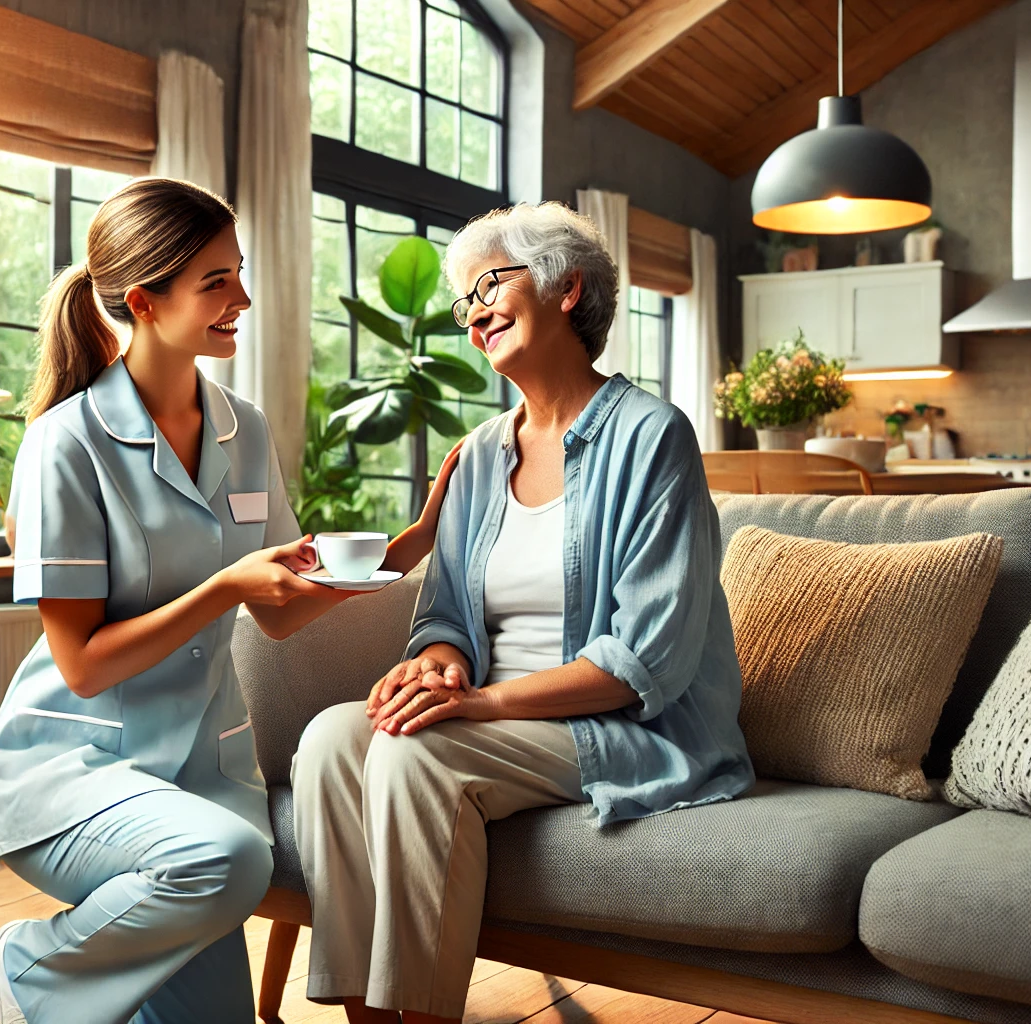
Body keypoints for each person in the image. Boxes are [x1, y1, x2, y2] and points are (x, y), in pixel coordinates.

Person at [0, 177, 457, 1024]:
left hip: (200, 775)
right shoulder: (65, 445)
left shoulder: (245, 427)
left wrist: (414, 542)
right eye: (216, 282)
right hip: (75, 770)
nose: (244, 299)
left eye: (239, 274)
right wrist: (222, 585)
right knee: (231, 862)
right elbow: (82, 666)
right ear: (144, 302)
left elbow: (281, 607)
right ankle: (31, 970)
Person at [291, 202, 755, 1024]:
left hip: (627, 727)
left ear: (567, 288)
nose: (473, 314)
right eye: (464, 301)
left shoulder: (653, 438)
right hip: (496, 716)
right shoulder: (478, 456)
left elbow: (644, 659)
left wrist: (477, 703)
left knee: (415, 757)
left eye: (489, 286)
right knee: (334, 738)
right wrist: (442, 666)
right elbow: (445, 618)